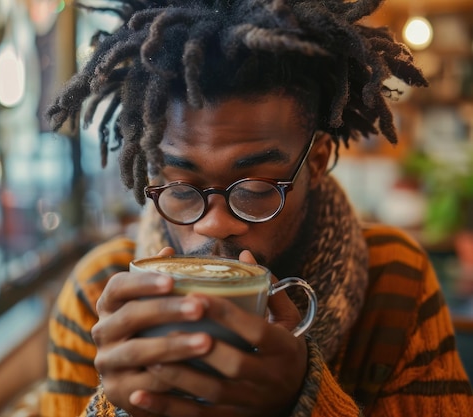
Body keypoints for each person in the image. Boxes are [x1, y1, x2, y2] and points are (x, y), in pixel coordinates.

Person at [40, 0, 473, 415]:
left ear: (317, 163)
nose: (213, 226)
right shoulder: (98, 295)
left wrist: (302, 399)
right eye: (182, 187)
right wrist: (120, 408)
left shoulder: (397, 280)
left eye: (254, 188)